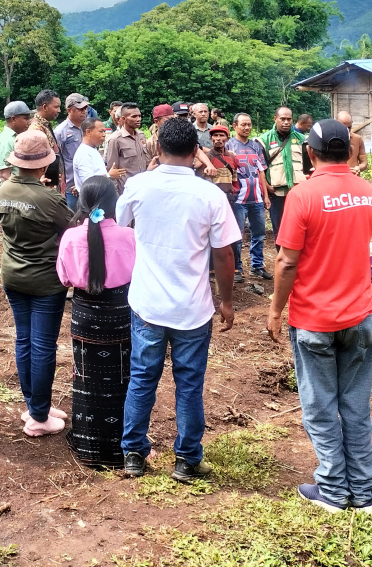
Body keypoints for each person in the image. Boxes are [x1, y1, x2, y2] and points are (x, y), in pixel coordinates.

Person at [266, 119, 372, 513]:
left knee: (319, 408)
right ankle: (362, 493)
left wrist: (275, 310)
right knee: (355, 406)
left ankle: (332, 490)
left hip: (314, 319)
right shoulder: (368, 193)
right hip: (360, 317)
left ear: (310, 153)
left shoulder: (302, 196)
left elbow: (286, 262)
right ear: (349, 151)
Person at [118, 117, 240, 482]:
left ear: (157, 148)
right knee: (189, 383)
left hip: (148, 303)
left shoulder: (139, 185)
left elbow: (121, 223)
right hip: (193, 308)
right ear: (196, 151)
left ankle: (133, 454)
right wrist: (226, 301)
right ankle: (187, 459)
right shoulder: (210, 195)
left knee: (142, 377)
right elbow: (224, 254)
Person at [0, 131, 73, 436]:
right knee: (42, 346)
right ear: (43, 165)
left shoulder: (3, 189)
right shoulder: (49, 198)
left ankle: (35, 406)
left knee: (24, 341)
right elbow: (73, 228)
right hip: (45, 281)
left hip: (13, 275)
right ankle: (39, 417)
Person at [58, 175, 136, 465]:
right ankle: (122, 448)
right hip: (119, 317)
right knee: (122, 379)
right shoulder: (129, 236)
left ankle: (87, 445)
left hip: (84, 317)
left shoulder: (70, 237)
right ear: (114, 203)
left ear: (81, 203)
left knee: (85, 379)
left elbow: (64, 278)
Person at [229, 113, 272, 282]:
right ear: (235, 126)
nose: (247, 127)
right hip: (238, 200)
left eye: (249, 124)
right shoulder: (229, 145)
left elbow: (261, 172)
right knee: (237, 236)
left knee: (259, 234)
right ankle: (236, 269)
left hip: (257, 199)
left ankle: (257, 266)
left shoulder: (256, 146)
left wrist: (265, 196)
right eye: (243, 124)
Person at [259, 106, 308, 239]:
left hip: (298, 192)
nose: (286, 122)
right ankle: (281, 252)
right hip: (276, 193)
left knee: (300, 226)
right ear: (275, 119)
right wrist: (266, 187)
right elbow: (259, 168)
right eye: (282, 119)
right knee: (279, 229)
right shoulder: (264, 140)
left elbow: (309, 164)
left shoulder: (302, 139)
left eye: (289, 119)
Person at [0, 101, 34, 197]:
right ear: (13, 119)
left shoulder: (16, 138)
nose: (29, 122)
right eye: (26, 118)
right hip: (10, 197)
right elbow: (5, 176)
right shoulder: (5, 141)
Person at [54, 93, 90, 210]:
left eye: (85, 108)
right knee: (72, 218)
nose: (84, 112)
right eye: (80, 109)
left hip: (88, 184)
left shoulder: (88, 128)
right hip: (71, 188)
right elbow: (56, 160)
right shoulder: (60, 131)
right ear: (69, 110)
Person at [104, 103, 148, 192]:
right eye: (134, 116)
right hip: (126, 190)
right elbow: (113, 171)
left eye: (139, 116)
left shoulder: (141, 136)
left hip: (143, 188)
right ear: (123, 119)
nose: (138, 119)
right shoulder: (115, 140)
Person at [30, 90, 66, 196]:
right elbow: (36, 162)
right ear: (45, 107)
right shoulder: (36, 130)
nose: (59, 110)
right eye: (56, 107)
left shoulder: (45, 125)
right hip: (46, 187)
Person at [73, 118, 124, 191]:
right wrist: (109, 175)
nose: (104, 135)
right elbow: (88, 183)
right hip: (94, 197)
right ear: (88, 132)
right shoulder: (84, 154)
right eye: (101, 131)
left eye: (104, 131)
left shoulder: (92, 149)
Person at [336, 111, 367, 175]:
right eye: (344, 127)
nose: (347, 130)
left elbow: (364, 162)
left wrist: (359, 167)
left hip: (353, 177)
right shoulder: (329, 140)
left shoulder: (357, 139)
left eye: (349, 127)